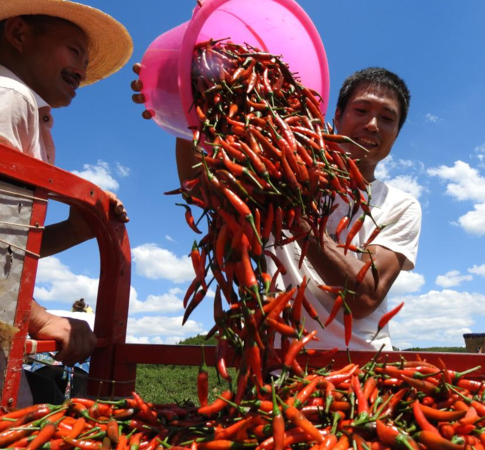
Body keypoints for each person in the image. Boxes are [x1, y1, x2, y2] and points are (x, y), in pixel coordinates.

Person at [132, 66, 422, 350]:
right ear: (337, 115)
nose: (372, 124)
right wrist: (181, 106)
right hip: (276, 366)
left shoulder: (399, 206)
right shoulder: (278, 166)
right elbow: (200, 187)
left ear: (396, 133)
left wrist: (292, 210)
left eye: (386, 118)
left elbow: (364, 297)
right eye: (361, 111)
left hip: (358, 369)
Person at [0, 0, 132, 403]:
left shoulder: (27, 108)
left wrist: (77, 229)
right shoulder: (10, 96)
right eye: (75, 50)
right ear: (20, 34)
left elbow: (9, 246)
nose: (83, 68)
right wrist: (39, 319)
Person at [25, 300, 96, 404]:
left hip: (46, 364)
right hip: (78, 366)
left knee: (43, 405)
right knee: (76, 406)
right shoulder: (91, 319)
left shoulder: (60, 315)